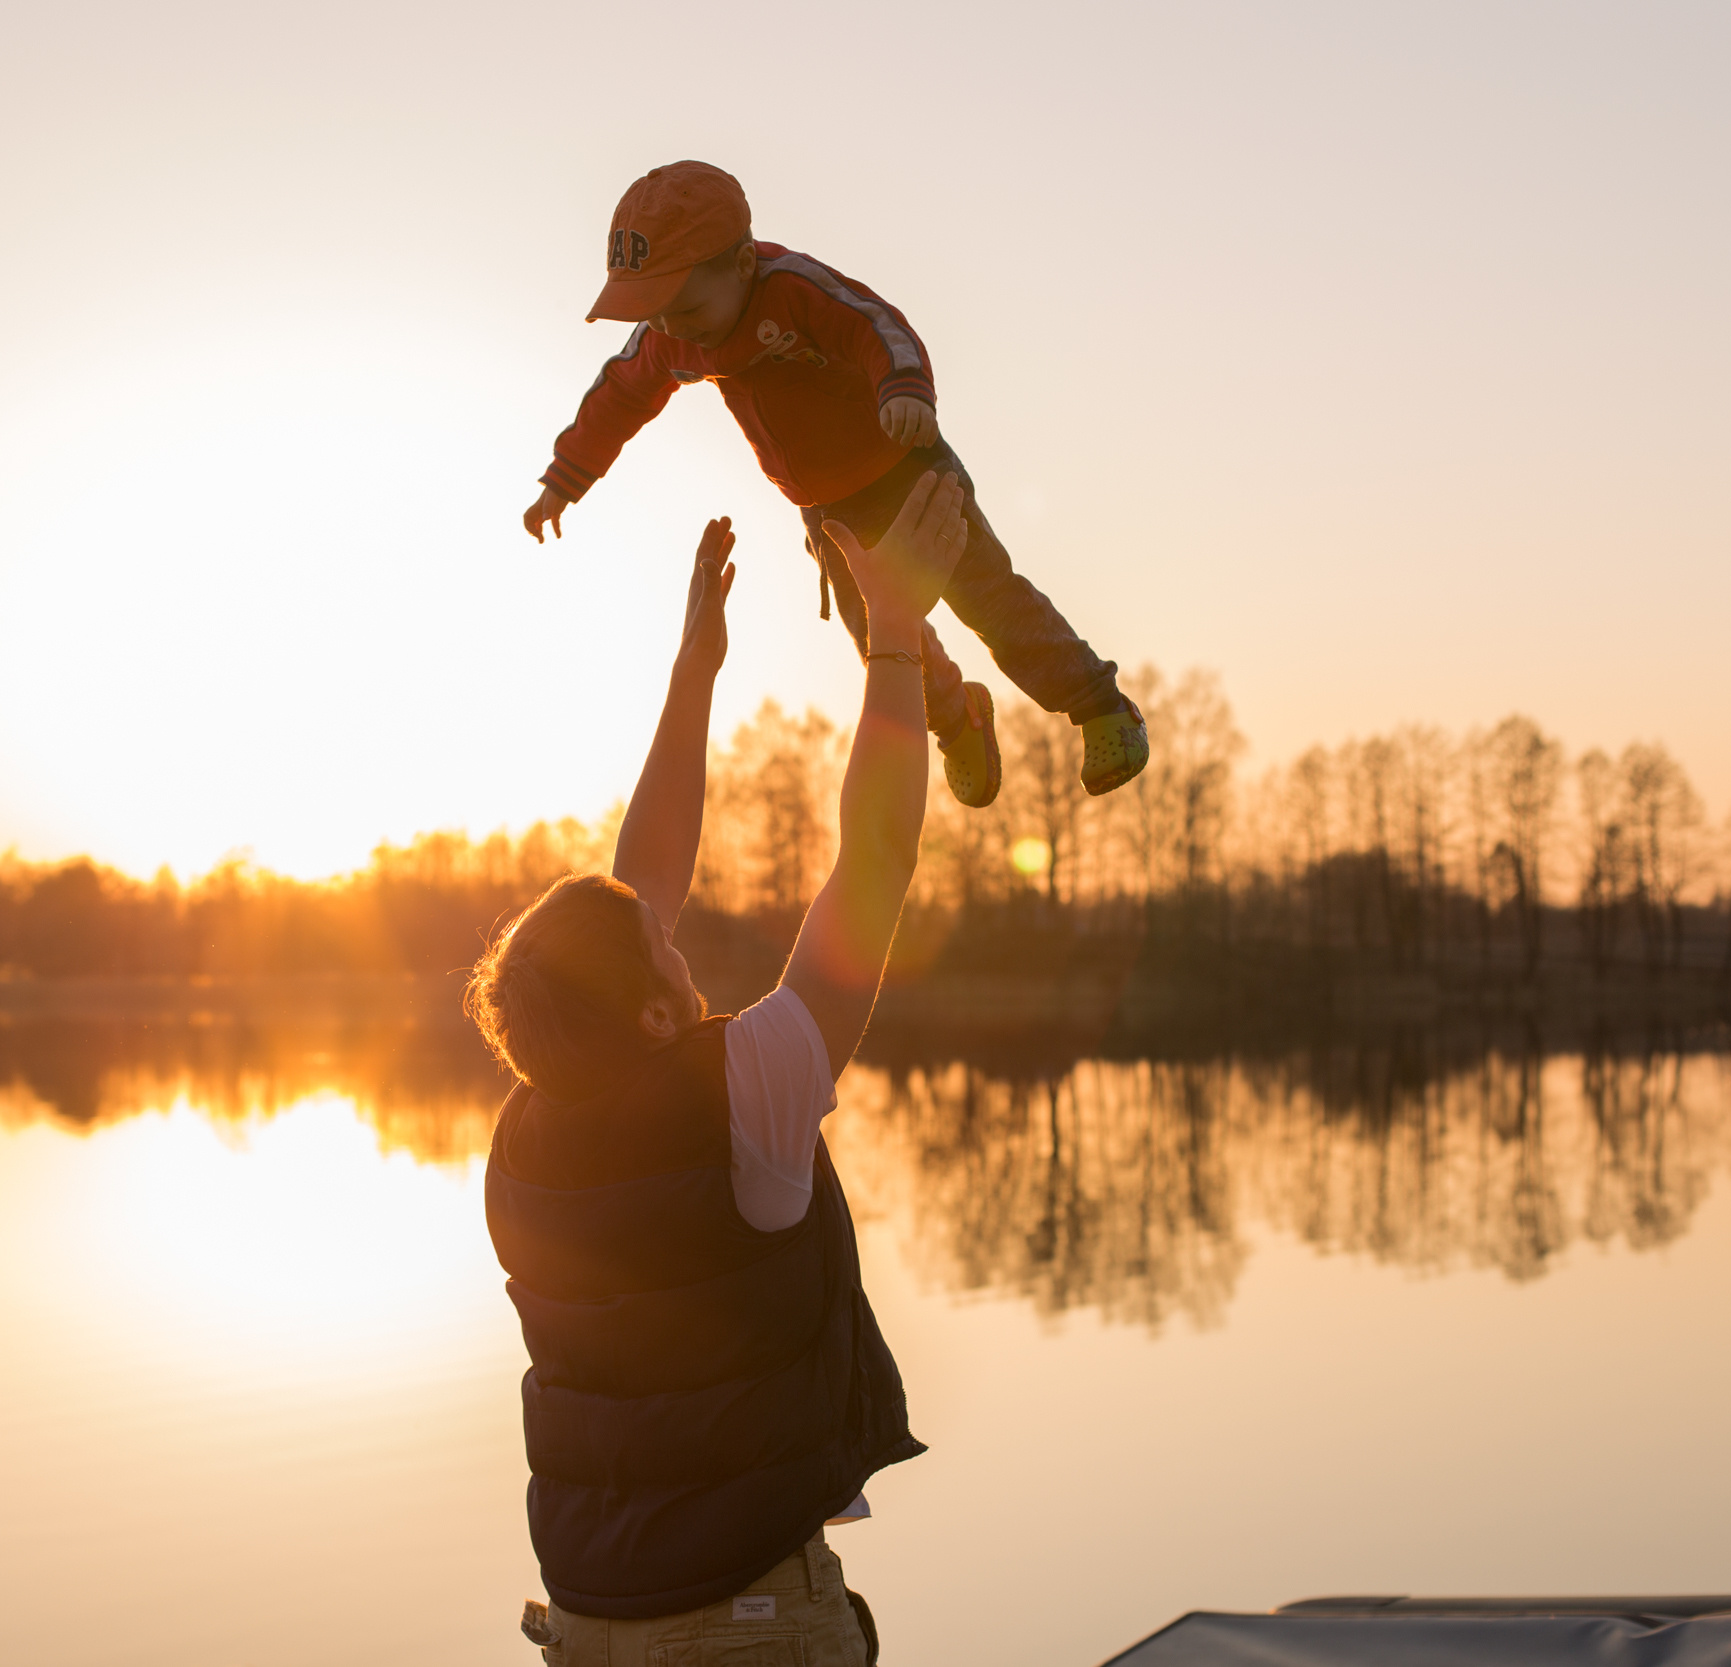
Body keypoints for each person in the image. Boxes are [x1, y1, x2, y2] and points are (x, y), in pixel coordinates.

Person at [471, 470, 976, 1667]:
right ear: (650, 1012)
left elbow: (635, 890)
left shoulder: (525, 1134)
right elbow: (875, 862)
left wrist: (695, 671)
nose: (673, 925)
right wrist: (894, 641)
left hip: (587, 1625)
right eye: (662, 944)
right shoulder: (742, 1090)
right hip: (741, 1631)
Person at [520, 158, 1149, 810]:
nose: (674, 329)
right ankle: (959, 719)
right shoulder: (669, 338)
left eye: (685, 306)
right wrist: (565, 481)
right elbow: (619, 396)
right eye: (654, 312)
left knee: (986, 601)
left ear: (740, 267)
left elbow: (876, 326)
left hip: (907, 470)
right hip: (829, 512)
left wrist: (903, 390)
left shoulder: (793, 290)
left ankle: (1100, 706)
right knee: (881, 642)